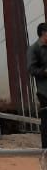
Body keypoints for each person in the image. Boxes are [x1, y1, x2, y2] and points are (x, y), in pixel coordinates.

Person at [27, 21, 47, 149]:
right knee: (46, 121)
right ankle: (45, 148)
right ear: (43, 33)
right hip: (44, 91)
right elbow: (31, 69)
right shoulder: (34, 49)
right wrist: (45, 72)